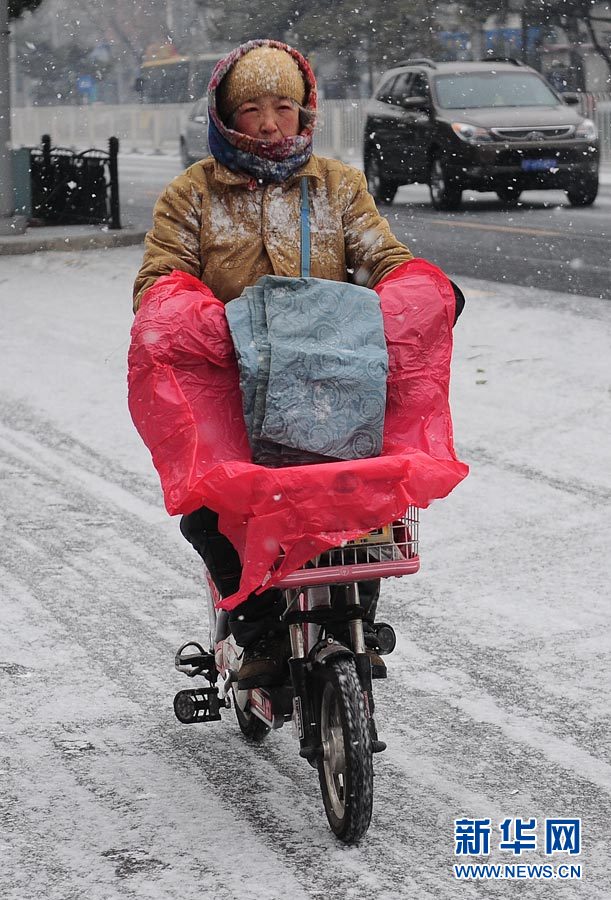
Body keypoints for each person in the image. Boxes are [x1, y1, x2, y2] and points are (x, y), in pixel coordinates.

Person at [132, 39, 462, 688]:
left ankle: (352, 622)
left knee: (365, 501)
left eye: (283, 106)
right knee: (211, 513)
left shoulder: (337, 187)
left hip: (333, 383)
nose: (268, 122)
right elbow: (158, 282)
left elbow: (382, 259)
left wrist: (419, 294)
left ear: (304, 109)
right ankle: (257, 636)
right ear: (226, 116)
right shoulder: (192, 196)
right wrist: (203, 322)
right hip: (232, 385)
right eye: (251, 108)